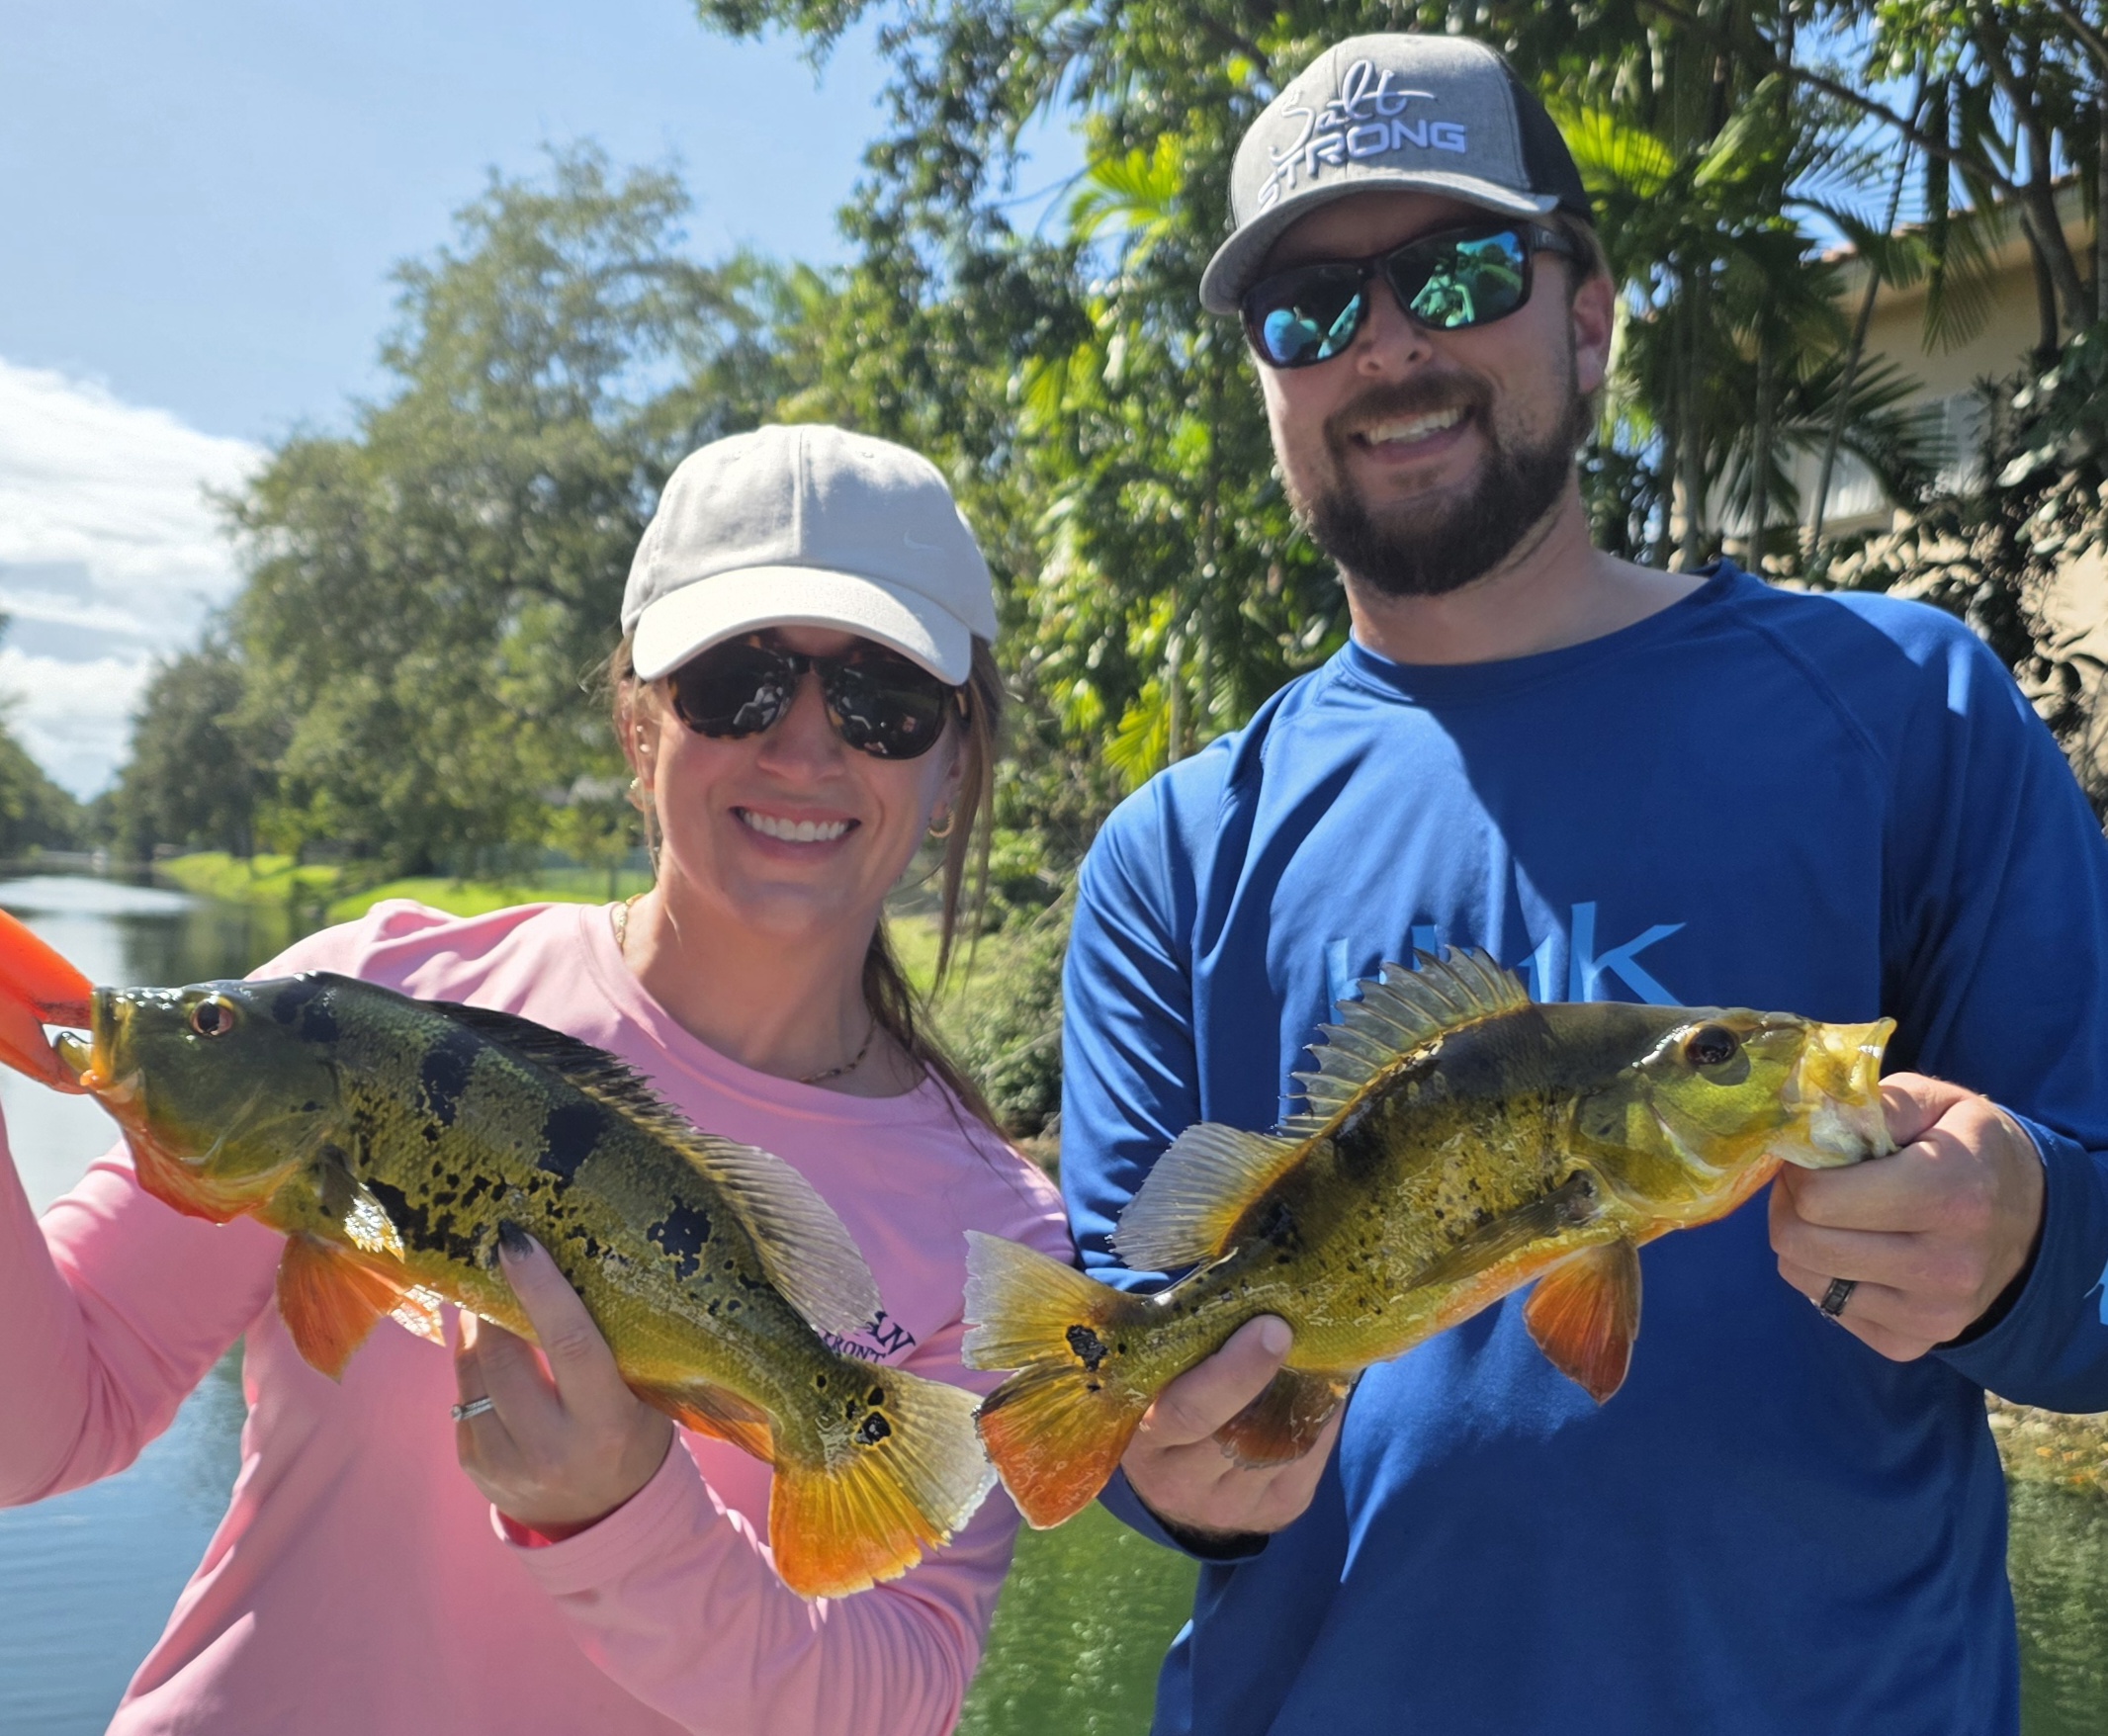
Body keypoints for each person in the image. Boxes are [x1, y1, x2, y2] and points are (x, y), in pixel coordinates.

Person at [1058, 32, 2108, 1736]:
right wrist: (1173, 1470)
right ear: (1265, 383)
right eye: (1310, 309)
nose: (1387, 343)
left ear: (1591, 312)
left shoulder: (1909, 711)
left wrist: (2028, 1240)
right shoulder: (1172, 853)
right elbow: (1115, 1391)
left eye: (1457, 270)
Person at [0, 423, 1069, 1735]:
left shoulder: (999, 1236)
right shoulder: (360, 999)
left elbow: (892, 1700)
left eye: (881, 699)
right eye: (735, 682)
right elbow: (40, 1430)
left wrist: (620, 1518)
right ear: (637, 726)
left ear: (955, 761)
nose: (804, 746)